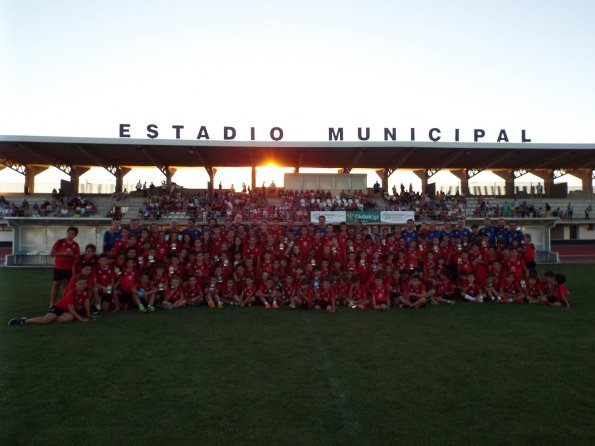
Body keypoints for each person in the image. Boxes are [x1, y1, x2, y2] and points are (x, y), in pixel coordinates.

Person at [9, 275, 93, 326]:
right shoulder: (71, 293)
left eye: (84, 283)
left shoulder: (86, 292)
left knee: (69, 318)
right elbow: (71, 309)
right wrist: (81, 319)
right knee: (45, 320)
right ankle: (23, 321)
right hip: (59, 308)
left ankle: (50, 320)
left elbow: (86, 303)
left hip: (66, 311)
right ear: (76, 284)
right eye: (80, 283)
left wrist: (89, 315)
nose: (82, 285)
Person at [49, 226, 81, 306]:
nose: (70, 235)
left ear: (75, 235)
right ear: (67, 233)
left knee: (66, 287)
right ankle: (52, 304)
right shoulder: (60, 242)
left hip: (69, 269)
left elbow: (78, 257)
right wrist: (63, 253)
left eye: (73, 234)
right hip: (59, 267)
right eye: (69, 233)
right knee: (56, 285)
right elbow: (52, 254)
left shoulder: (76, 245)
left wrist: (72, 255)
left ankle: (63, 303)